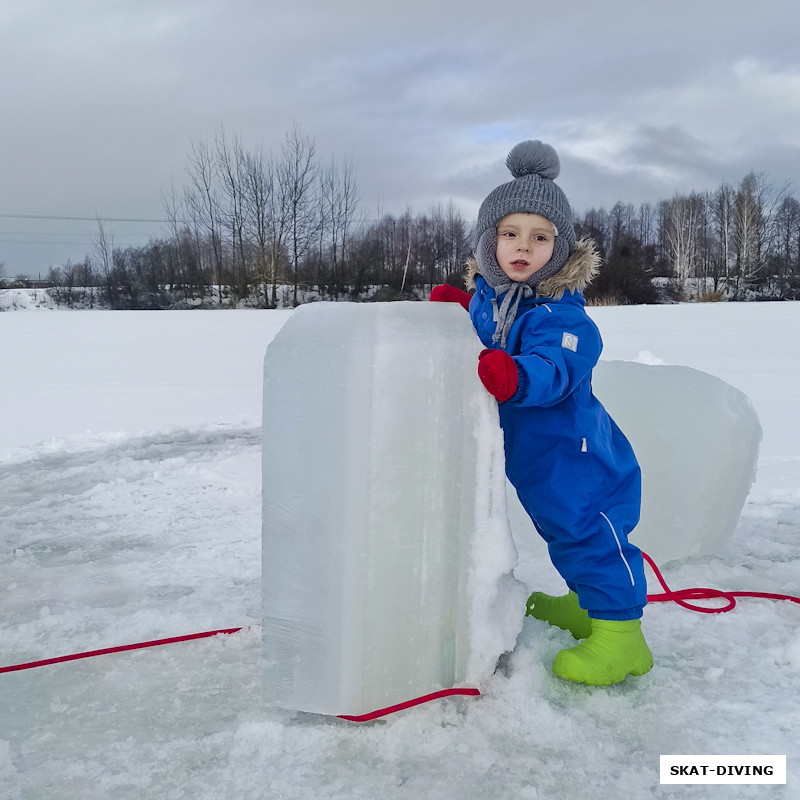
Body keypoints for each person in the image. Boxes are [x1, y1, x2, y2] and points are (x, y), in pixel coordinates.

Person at [431, 140, 653, 686]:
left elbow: (557, 364)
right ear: (489, 242)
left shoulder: (561, 313)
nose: (522, 247)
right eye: (509, 233)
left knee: (589, 531)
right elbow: (488, 334)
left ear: (561, 249)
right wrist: (460, 316)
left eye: (540, 236)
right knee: (559, 529)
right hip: (533, 455)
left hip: (573, 450)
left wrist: (519, 375)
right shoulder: (493, 296)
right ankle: (587, 604)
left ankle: (623, 636)